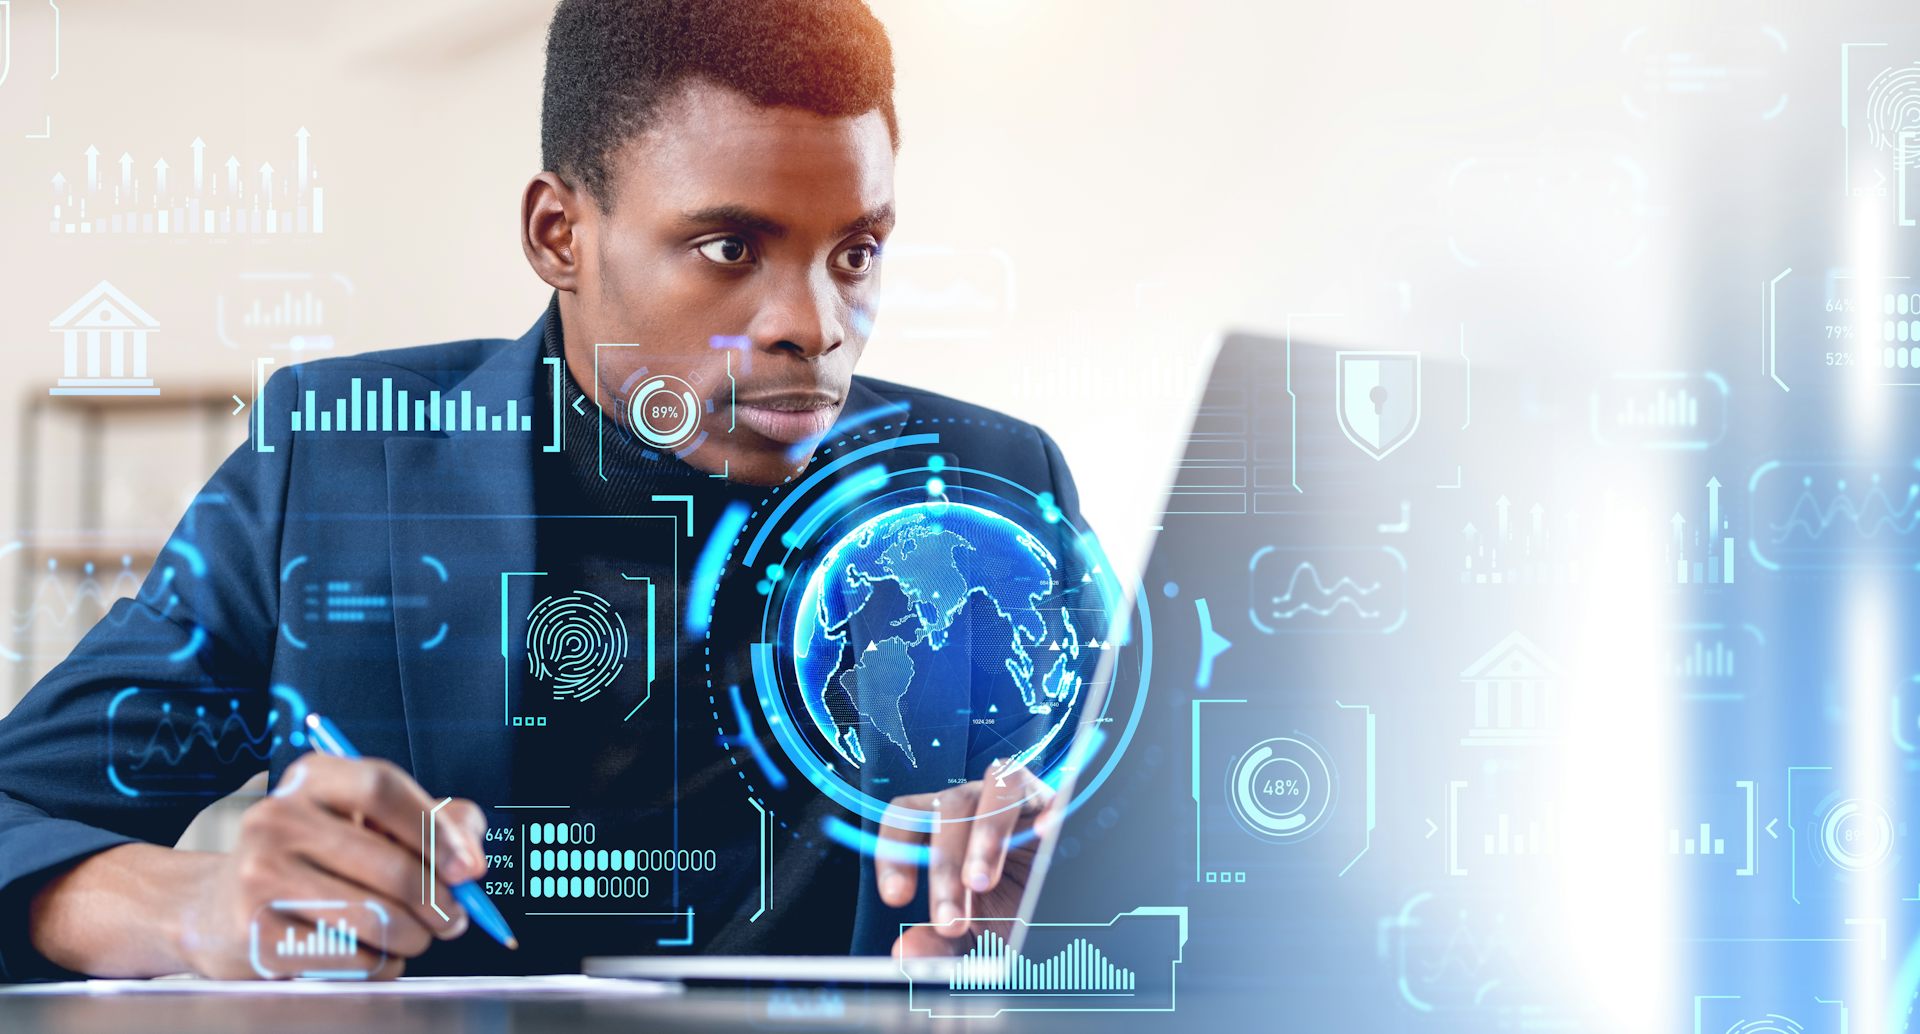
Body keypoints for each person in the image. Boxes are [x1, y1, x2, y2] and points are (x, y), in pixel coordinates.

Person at [0, 0, 1087, 980]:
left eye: (855, 251)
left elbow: (1175, 891)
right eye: (728, 245)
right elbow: (18, 812)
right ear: (559, 234)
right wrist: (191, 902)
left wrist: (1064, 919)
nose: (814, 323)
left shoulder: (992, 494)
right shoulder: (336, 465)